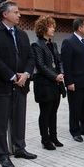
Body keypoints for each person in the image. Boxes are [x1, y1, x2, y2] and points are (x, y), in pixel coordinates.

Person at [0, 1, 37, 167]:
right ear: (5, 14)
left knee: (19, 119)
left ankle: (19, 148)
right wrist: (13, 76)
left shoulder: (22, 34)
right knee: (1, 122)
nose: (19, 15)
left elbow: (30, 58)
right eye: (16, 12)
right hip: (2, 85)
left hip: (21, 85)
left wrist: (26, 74)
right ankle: (2, 154)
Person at [61, 18, 84, 142]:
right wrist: (69, 82)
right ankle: (75, 131)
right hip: (76, 82)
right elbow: (66, 64)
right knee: (76, 108)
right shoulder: (69, 42)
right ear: (79, 28)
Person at [31, 15, 65, 150]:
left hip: (56, 83)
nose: (53, 29)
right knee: (45, 112)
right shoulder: (36, 45)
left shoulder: (53, 44)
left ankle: (54, 137)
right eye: (51, 26)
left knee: (54, 112)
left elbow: (59, 61)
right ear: (44, 28)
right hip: (44, 84)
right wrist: (55, 76)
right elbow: (40, 65)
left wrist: (61, 73)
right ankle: (45, 140)